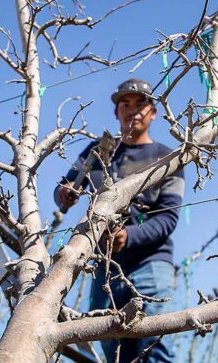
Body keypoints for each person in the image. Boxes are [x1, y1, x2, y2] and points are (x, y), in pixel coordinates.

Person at [54, 78, 184, 363]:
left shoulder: (168, 158)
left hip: (152, 265)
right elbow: (65, 187)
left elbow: (169, 217)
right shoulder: (98, 151)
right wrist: (64, 194)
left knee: (155, 349)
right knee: (115, 352)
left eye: (140, 104)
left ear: (153, 112)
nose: (132, 111)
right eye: (125, 104)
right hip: (104, 267)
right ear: (116, 112)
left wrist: (129, 237)